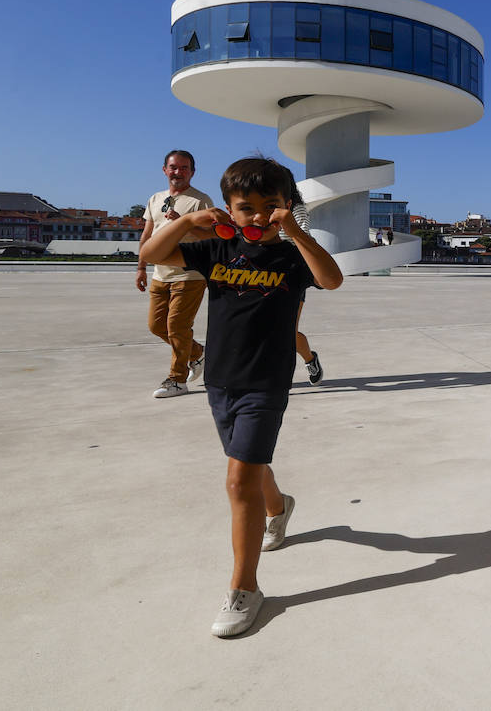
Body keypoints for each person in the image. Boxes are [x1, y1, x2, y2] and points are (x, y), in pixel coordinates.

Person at [140, 155, 343, 637]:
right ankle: (279, 506)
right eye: (244, 207)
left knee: (237, 481)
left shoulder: (293, 258)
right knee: (247, 463)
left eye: (268, 206)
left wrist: (295, 231)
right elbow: (151, 255)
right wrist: (190, 220)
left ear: (286, 206)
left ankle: (244, 587)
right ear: (229, 209)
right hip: (220, 380)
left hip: (266, 383)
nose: (256, 216)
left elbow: (332, 279)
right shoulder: (216, 251)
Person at [137, 150, 214, 399]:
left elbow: (213, 236)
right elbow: (147, 235)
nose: (177, 172)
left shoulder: (200, 201)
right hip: (161, 273)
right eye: (173, 167)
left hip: (190, 273)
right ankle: (197, 354)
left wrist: (185, 222)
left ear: (192, 172)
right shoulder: (155, 199)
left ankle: (177, 379)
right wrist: (141, 267)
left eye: (183, 168)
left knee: (177, 327)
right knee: (156, 326)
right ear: (164, 170)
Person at [280, 173, 323, 384]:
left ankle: (310, 359)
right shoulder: (260, 207)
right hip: (262, 273)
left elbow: (303, 235)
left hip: (291, 275)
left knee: (287, 331)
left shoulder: (296, 209)